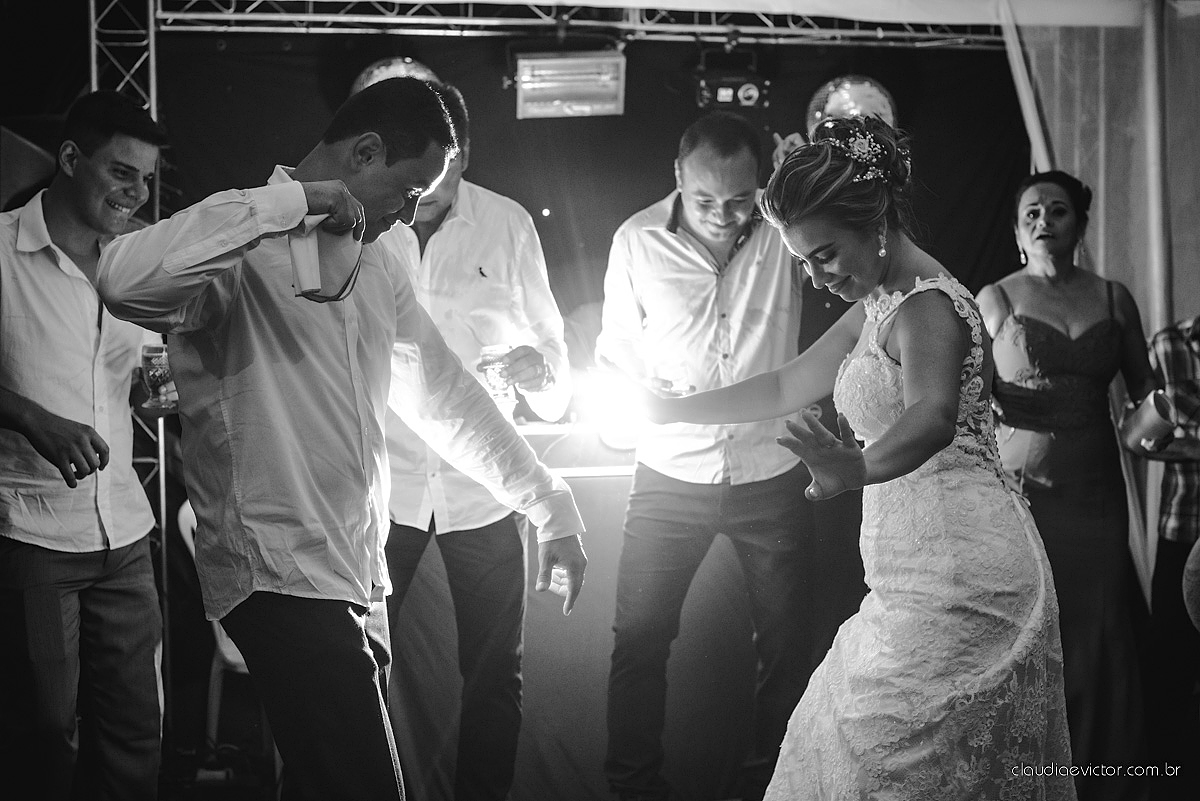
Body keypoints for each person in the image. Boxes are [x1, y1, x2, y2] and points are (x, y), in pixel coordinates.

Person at [93, 77, 588, 801]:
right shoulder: (241, 239)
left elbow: (445, 396)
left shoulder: (383, 262)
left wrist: (550, 501)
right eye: (410, 188)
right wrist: (290, 204)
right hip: (277, 570)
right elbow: (120, 281)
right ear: (364, 152)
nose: (412, 212)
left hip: (360, 573)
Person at [628, 115, 1076, 798]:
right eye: (802, 261)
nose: (814, 276)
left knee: (887, 761)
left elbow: (931, 416)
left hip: (966, 570)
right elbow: (785, 383)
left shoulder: (928, 307)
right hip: (910, 571)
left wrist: (857, 468)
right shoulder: (879, 302)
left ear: (876, 222)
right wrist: (669, 409)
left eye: (824, 254)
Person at [596, 110, 865, 801]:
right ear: (677, 180)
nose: (723, 214)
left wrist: (807, 174)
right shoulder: (635, 240)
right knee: (638, 640)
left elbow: (860, 240)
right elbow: (614, 351)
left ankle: (775, 787)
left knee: (786, 646)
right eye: (706, 199)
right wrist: (631, 388)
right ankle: (632, 790)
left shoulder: (786, 233)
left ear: (763, 183)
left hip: (768, 470)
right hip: (665, 471)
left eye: (740, 198)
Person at [378, 83, 572, 801]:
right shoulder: (366, 221)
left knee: (495, 678)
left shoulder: (509, 224)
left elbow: (557, 372)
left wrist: (541, 370)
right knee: (353, 666)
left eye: (441, 168)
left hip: (485, 487)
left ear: (464, 156)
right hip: (383, 484)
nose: (422, 188)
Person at [0, 91, 168, 800]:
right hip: (32, 530)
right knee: (41, 734)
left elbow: (142, 378)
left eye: (147, 179)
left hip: (126, 531)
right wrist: (30, 417)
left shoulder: (138, 264)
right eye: (122, 172)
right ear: (70, 159)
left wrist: (155, 390)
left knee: (137, 730)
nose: (138, 193)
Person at [976, 170, 1155, 799]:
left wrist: (1158, 425)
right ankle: (1028, 771)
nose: (1043, 220)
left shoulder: (1113, 299)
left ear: (1079, 224)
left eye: (1056, 210)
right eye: (1030, 213)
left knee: (1100, 618)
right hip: (1025, 487)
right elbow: (969, 403)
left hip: (1097, 483)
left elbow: (1144, 398)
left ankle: (1105, 772)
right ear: (1017, 231)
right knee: (1033, 620)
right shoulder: (993, 297)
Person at [1143, 313, 1200, 800]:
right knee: (1171, 670)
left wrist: (1187, 442)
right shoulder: (1169, 344)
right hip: (1185, 524)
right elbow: (1143, 436)